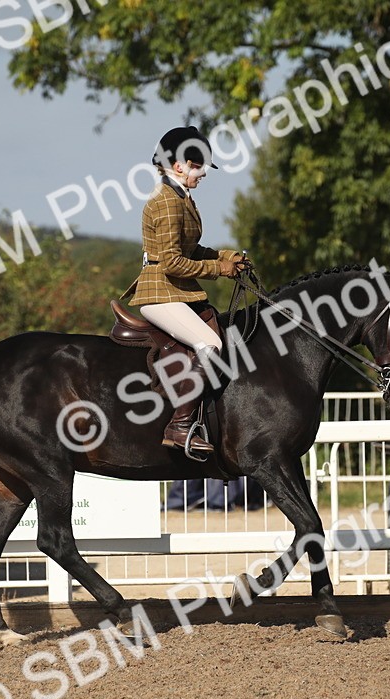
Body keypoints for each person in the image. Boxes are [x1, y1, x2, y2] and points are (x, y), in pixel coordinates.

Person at [125, 126, 245, 456]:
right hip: (160, 292)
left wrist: (226, 257)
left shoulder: (180, 197)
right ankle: (178, 425)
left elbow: (192, 249)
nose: (203, 173)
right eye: (198, 166)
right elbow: (173, 264)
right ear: (179, 165)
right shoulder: (165, 201)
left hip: (177, 291)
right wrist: (219, 269)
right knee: (210, 343)